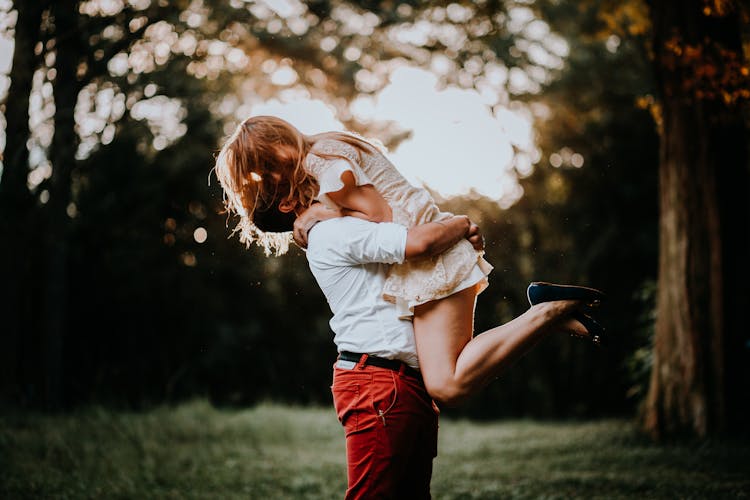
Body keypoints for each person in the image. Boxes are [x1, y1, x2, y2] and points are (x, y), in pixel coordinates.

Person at [214, 115, 604, 406]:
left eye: (261, 174)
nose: (263, 184)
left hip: (433, 257)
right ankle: (552, 316)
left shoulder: (324, 163)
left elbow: (380, 215)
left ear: (276, 159)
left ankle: (546, 313)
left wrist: (323, 215)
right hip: (428, 258)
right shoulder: (325, 153)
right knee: (449, 378)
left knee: (447, 386)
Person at [282, 201, 591, 499]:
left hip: (406, 381)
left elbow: (401, 222)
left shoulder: (345, 222)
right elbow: (421, 242)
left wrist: (461, 235)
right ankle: (545, 314)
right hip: (378, 381)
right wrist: (459, 224)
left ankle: (544, 316)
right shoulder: (330, 232)